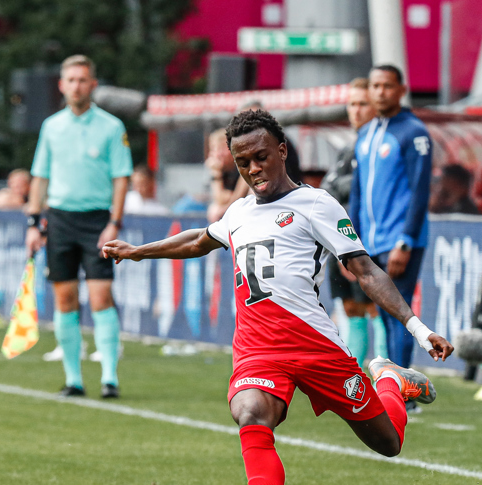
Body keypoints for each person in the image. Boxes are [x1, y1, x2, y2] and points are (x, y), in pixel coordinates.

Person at [102, 109, 453, 485]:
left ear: (282, 151)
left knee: (389, 444)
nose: (253, 169)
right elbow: (198, 240)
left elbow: (366, 271)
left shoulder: (317, 204)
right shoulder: (238, 212)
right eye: (242, 162)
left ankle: (389, 380)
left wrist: (418, 329)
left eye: (261, 157)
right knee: (250, 411)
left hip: (315, 346)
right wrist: (140, 250)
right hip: (260, 351)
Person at [25, 54, 132, 398]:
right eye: (70, 80)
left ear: (93, 85)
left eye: (82, 80)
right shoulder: (51, 126)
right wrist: (33, 221)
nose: (76, 85)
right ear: (61, 85)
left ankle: (110, 378)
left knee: (101, 296)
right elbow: (40, 177)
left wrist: (114, 221)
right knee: (65, 298)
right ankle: (74, 379)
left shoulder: (112, 127)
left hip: (97, 220)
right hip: (59, 219)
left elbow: (121, 178)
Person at [349, 65, 432, 414]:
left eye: (387, 86)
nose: (380, 92)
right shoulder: (366, 135)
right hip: (369, 242)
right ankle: (396, 385)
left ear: (402, 90)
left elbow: (420, 191)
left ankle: (404, 393)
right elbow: (355, 195)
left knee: (401, 313)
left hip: (399, 242)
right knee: (384, 314)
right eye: (375, 86)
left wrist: (406, 240)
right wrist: (351, 242)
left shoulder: (413, 133)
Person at [321, 77, 388, 369]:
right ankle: (356, 378)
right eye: (352, 104)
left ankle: (389, 378)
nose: (356, 111)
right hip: (340, 244)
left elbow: (374, 191)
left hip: (369, 244)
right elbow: (327, 190)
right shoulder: (349, 150)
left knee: (378, 310)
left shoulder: (383, 148)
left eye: (363, 104)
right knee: (352, 310)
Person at [205, 128, 240, 222]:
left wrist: (216, 174)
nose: (215, 155)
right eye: (213, 150)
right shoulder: (222, 169)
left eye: (219, 149)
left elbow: (236, 199)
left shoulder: (241, 167)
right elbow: (220, 198)